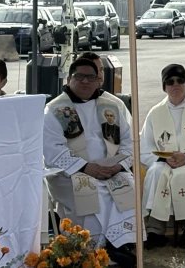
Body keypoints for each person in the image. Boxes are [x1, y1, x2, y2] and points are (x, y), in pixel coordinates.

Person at [42, 59, 137, 266]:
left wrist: (118, 166)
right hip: (70, 173)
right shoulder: (55, 109)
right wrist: (87, 167)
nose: (85, 81)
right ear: (69, 79)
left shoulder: (111, 106)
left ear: (98, 81)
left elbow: (129, 142)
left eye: (90, 77)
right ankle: (88, 252)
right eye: (79, 76)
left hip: (111, 170)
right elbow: (52, 149)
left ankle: (119, 246)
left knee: (128, 184)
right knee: (96, 192)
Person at [140, 64, 185, 249]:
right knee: (156, 172)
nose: (175, 85)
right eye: (170, 82)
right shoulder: (156, 112)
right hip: (164, 161)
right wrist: (165, 158)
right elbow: (145, 147)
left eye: (180, 81)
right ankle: (155, 231)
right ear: (164, 87)